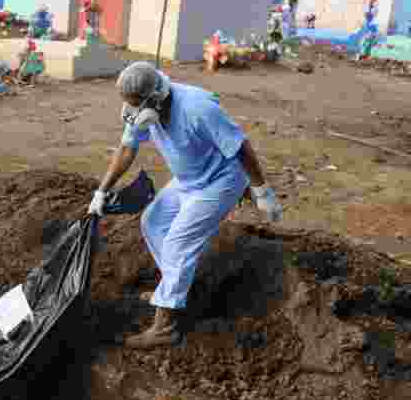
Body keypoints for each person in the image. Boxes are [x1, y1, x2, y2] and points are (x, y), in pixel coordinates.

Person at [89, 61, 282, 348]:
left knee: (178, 244)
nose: (132, 112)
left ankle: (165, 328)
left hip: (220, 179)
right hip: (189, 177)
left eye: (135, 105)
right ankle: (175, 289)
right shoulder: (145, 112)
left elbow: (240, 146)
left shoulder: (197, 109)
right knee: (153, 222)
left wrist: (261, 190)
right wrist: (101, 192)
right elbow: (128, 148)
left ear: (155, 99)